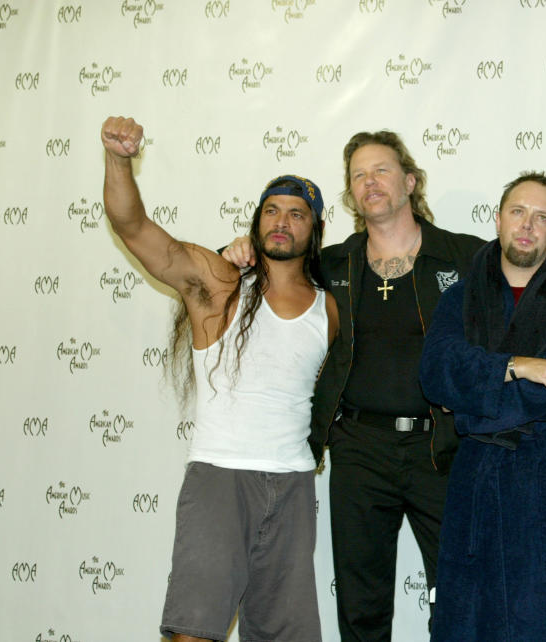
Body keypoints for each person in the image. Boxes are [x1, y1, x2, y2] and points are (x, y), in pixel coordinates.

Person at [224, 130, 485, 641]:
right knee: (361, 606)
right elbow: (273, 258)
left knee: (458, 595)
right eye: (359, 175)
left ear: (410, 181)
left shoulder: (465, 256)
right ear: (350, 193)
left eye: (381, 170)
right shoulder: (332, 263)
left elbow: (525, 286)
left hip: (444, 448)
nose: (370, 182)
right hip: (359, 450)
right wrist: (237, 249)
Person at [101, 115, 338, 642]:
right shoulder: (218, 281)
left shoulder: (332, 308)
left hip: (295, 483)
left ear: (315, 230)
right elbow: (134, 227)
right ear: (255, 223)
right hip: (220, 477)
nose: (282, 221)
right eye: (271, 211)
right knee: (193, 632)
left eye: (297, 214)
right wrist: (119, 159)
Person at [419, 173, 546, 641]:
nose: (527, 225)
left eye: (543, 218)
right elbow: (436, 370)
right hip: (475, 481)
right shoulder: (459, 295)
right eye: (518, 212)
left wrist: (473, 405)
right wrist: (518, 365)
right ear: (497, 220)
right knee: (469, 623)